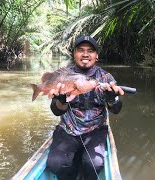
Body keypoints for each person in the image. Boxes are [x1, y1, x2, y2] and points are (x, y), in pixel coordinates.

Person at [46, 35, 125, 180]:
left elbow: (116, 109)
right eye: (80, 50)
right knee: (55, 164)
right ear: (74, 54)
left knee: (94, 164)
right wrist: (62, 99)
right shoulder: (63, 75)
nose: (85, 54)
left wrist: (111, 99)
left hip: (95, 130)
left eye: (90, 50)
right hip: (67, 129)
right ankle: (72, 173)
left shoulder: (106, 78)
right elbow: (56, 111)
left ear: (96, 56)